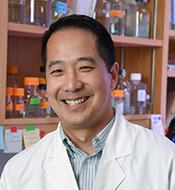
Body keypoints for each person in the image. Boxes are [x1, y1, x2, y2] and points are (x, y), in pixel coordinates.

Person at [0, 14, 175, 190]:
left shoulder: (166, 160)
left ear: (113, 75)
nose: (71, 85)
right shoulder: (17, 173)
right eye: (58, 70)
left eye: (85, 68)